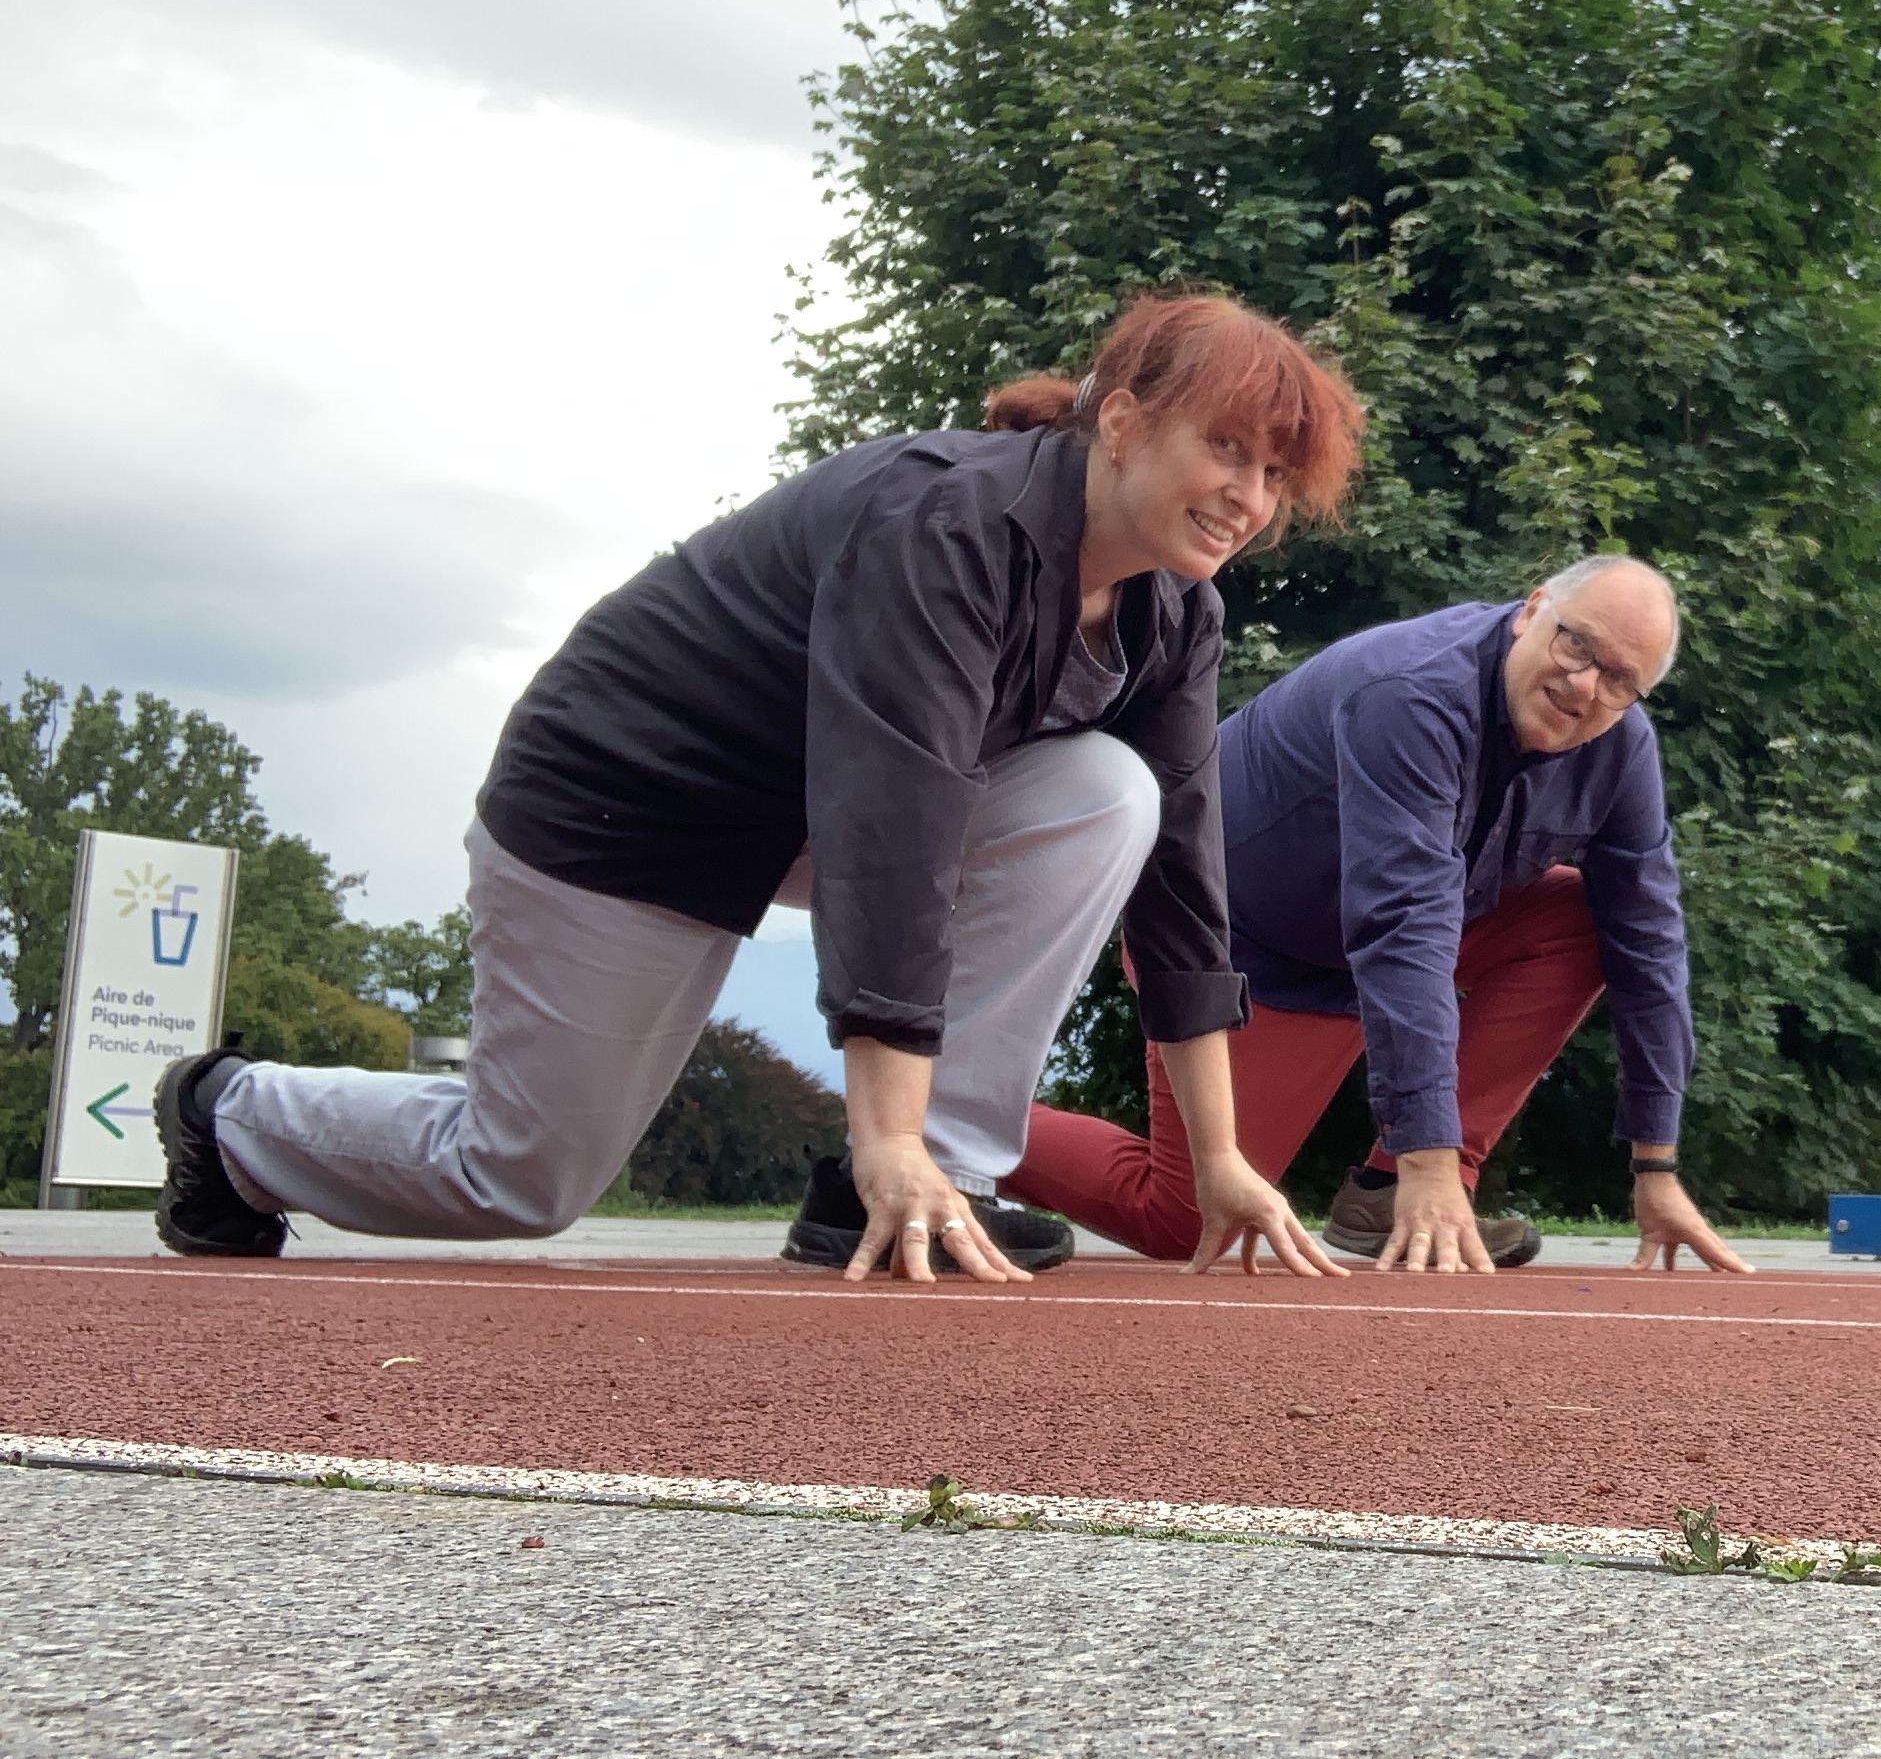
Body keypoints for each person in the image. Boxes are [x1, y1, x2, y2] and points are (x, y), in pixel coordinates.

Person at [149, 292, 1358, 1286]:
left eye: (1272, 474)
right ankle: (232, 1115)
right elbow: (894, 826)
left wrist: (1219, 1160)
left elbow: (1184, 886)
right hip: (628, 807)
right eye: (1226, 449)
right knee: (518, 1181)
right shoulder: (947, 522)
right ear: (1124, 421)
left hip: (798, 815)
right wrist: (878, 1131)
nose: (1248, 498)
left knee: (1110, 792)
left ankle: (934, 1174)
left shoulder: (1174, 612)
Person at [1013, 557, 1753, 1275]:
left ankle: (1389, 1193)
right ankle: (955, 1121)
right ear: (1532, 611)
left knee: (1588, 920)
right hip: (1238, 944)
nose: (1585, 684)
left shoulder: (1619, 748)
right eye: (1577, 644)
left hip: (1385, 936)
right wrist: (1427, 1157)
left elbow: (1650, 943)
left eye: (1620, 680)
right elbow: (1404, 924)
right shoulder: (1412, 692)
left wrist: (1657, 1166)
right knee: (1182, 1217)